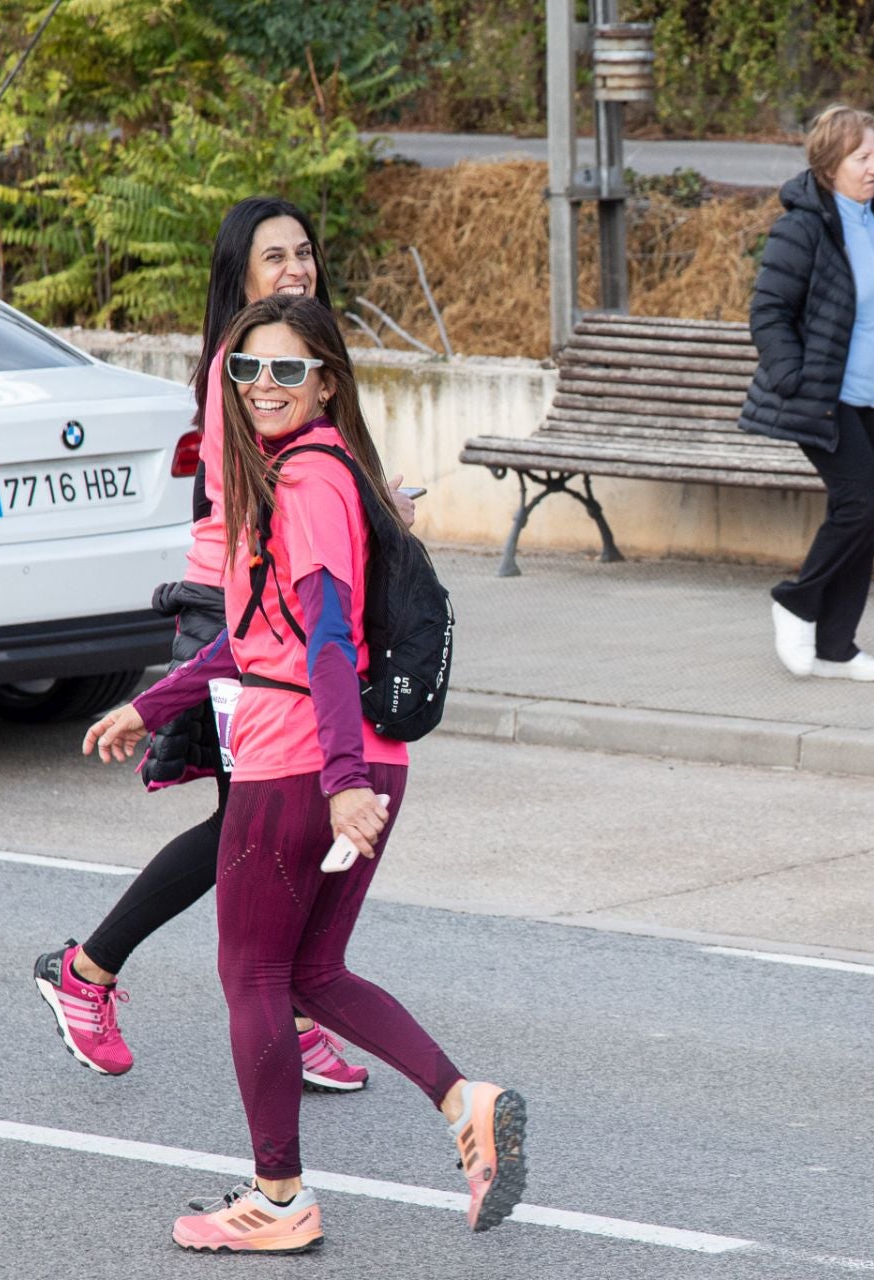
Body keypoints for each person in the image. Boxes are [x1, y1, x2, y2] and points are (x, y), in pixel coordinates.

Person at [83, 295, 526, 1252]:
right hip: (358, 756)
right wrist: (149, 705)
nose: (264, 388)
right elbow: (253, 642)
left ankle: (279, 1198)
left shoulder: (308, 484)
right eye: (247, 371)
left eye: (287, 370)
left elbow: (326, 640)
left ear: (326, 379)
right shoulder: (316, 475)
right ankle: (465, 1102)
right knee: (312, 970)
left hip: (304, 762)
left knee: (251, 972)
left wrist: (337, 779)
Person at [32, 196, 411, 1091]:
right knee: (254, 825)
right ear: (239, 275)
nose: (296, 269)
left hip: (262, 604)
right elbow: (257, 510)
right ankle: (88, 972)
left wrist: (369, 506)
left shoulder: (292, 358)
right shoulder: (241, 370)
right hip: (235, 611)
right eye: (273, 257)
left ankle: (285, 1004)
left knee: (258, 826)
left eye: (305, 254)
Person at [739, 104, 874, 682]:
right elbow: (768, 310)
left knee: (864, 514)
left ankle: (837, 647)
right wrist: (792, 376)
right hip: (827, 397)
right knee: (855, 509)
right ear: (829, 165)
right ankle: (795, 600)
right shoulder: (804, 225)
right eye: (862, 157)